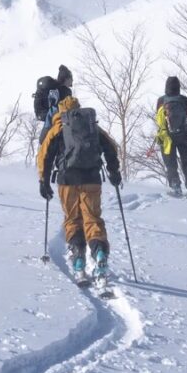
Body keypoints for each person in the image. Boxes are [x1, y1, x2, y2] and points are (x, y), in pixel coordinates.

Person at [37, 90, 122, 283]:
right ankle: (99, 253)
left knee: (73, 219)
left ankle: (78, 260)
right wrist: (114, 171)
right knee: (93, 219)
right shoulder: (91, 126)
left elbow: (45, 155)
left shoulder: (58, 127)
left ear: (61, 111)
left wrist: (44, 181)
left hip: (67, 180)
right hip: (92, 178)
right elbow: (110, 147)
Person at [155, 75, 187, 198]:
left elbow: (158, 117)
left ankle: (176, 188)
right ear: (179, 87)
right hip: (183, 135)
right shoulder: (183, 99)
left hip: (166, 137)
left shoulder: (161, 100)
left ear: (166, 87)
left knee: (170, 164)